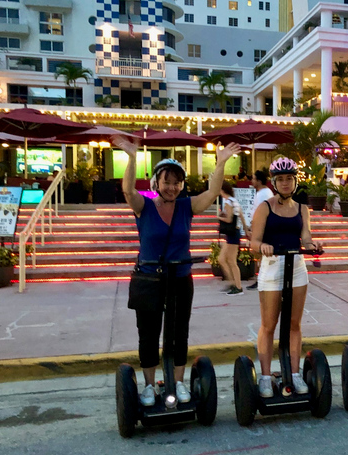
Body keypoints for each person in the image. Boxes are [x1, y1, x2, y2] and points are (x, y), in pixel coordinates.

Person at [113, 135, 240, 407]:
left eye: (176, 182)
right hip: (149, 279)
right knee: (148, 334)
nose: (172, 187)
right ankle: (149, 385)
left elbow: (211, 192)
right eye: (167, 181)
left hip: (180, 278)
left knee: (177, 331)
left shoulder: (186, 206)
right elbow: (127, 191)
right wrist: (132, 157)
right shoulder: (144, 207)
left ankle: (179, 381)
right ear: (156, 183)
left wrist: (220, 163)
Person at [250, 157, 321, 398]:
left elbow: (306, 237)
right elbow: (253, 242)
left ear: (295, 181)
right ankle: (266, 377)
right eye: (280, 179)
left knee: (294, 325)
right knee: (269, 325)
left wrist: (313, 245)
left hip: (297, 266)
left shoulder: (302, 208)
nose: (285, 183)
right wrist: (263, 247)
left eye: (289, 179)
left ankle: (295, 373)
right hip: (272, 266)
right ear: (274, 182)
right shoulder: (265, 207)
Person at [218, 182, 250, 296]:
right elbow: (241, 215)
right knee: (222, 258)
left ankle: (237, 286)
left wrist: (219, 217)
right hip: (235, 233)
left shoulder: (227, 202)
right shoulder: (234, 201)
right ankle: (233, 283)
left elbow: (229, 219)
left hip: (231, 234)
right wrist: (246, 230)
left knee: (230, 261)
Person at [246, 170, 274, 290]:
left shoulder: (264, 194)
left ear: (259, 180)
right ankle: (260, 277)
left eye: (253, 179)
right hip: (260, 227)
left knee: (260, 254)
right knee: (259, 255)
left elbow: (260, 213)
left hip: (262, 228)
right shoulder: (262, 193)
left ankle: (262, 278)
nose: (252, 181)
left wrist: (254, 227)